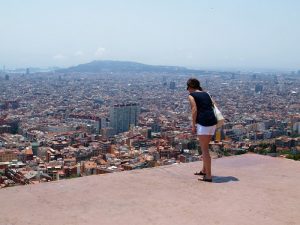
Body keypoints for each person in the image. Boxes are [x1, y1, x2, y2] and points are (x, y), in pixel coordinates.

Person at [187, 78, 217, 182]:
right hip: (212, 122)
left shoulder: (191, 96)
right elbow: (214, 105)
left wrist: (193, 125)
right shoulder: (207, 94)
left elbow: (194, 109)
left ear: (190, 87)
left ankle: (208, 176)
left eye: (188, 88)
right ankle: (204, 170)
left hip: (203, 123)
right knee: (205, 146)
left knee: (204, 150)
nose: (188, 90)